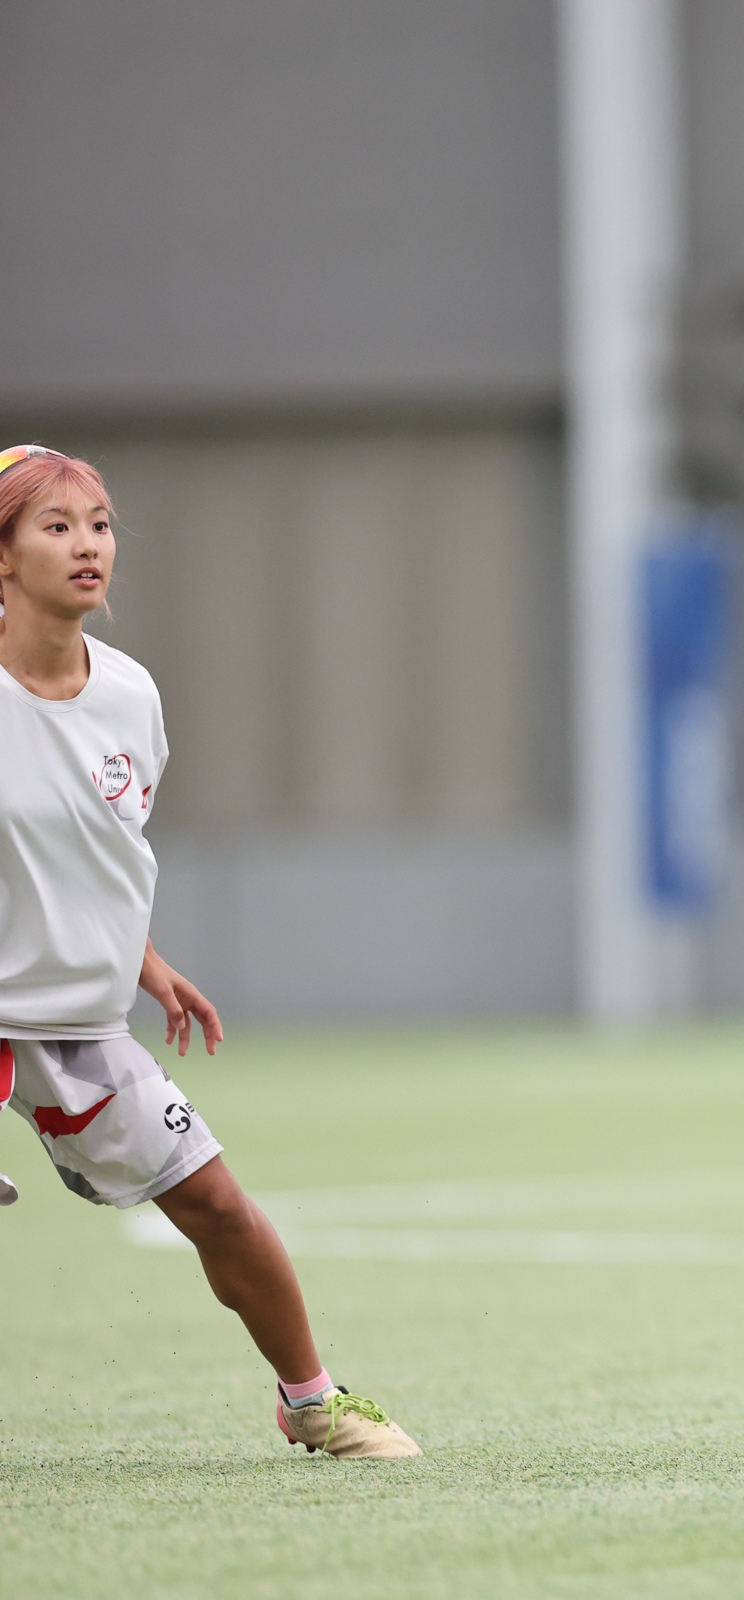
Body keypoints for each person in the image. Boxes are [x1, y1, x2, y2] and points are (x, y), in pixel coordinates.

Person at [0, 444, 418, 1459]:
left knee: (220, 1207)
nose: (90, 545)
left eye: (100, 524)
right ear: (2, 555)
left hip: (77, 1017)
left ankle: (312, 1401)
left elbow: (91, 851)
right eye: (56, 526)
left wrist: (143, 960)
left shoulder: (129, 695)